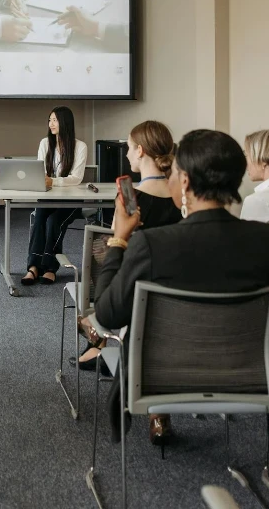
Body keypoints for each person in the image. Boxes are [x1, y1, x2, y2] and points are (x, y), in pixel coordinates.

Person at [80, 130, 269, 446]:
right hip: (248, 378)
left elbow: (108, 314)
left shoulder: (152, 244)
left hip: (163, 378)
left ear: (184, 183)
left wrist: (118, 240)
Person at [77, 120, 182, 371]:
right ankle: (104, 342)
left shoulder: (130, 200)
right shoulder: (182, 199)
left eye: (129, 146)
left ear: (141, 151)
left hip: (129, 291)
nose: (125, 153)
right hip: (173, 293)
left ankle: (99, 334)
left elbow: (117, 245)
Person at [22, 106, 88, 286]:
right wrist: (50, 181)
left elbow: (76, 178)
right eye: (49, 120)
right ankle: (33, 267)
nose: (50, 124)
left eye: (55, 120)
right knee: (40, 218)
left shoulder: (80, 147)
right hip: (48, 197)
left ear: (65, 122)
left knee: (53, 222)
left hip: (71, 200)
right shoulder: (45, 143)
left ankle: (50, 268)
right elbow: (40, 173)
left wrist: (53, 181)